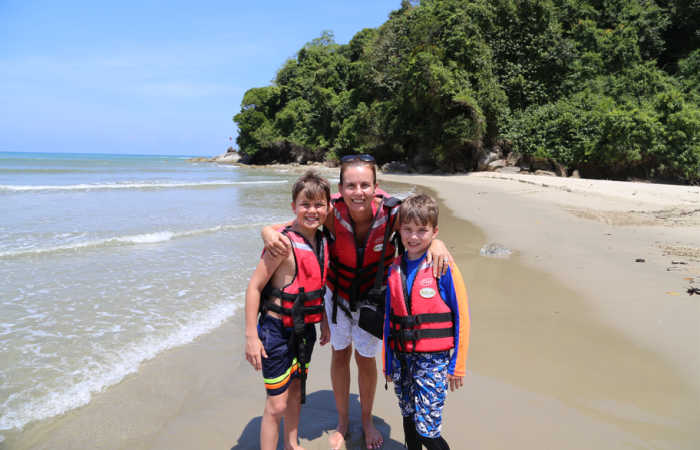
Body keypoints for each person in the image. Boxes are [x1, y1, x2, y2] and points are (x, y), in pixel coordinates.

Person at [262, 155, 453, 450]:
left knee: (366, 360)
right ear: (341, 188)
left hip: (371, 300)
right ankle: (341, 422)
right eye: (351, 185)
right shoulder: (329, 210)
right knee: (340, 355)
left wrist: (438, 244)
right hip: (337, 296)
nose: (358, 192)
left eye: (365, 184)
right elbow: (286, 227)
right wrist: (265, 232)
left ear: (376, 187)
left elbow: (422, 226)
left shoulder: (392, 212)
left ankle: (366, 421)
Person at [245, 170, 332, 450]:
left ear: (328, 208)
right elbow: (254, 288)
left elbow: (318, 288)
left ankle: (292, 444)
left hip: (305, 330)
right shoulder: (281, 244)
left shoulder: (323, 241)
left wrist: (326, 323)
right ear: (293, 206)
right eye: (305, 205)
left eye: (319, 205)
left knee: (296, 392)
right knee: (276, 404)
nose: (312, 211)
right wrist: (251, 337)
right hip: (275, 333)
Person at [383, 194, 469, 450]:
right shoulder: (394, 268)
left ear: (435, 232)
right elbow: (389, 321)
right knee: (408, 418)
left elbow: (462, 316)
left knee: (428, 430)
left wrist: (458, 364)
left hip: (433, 360)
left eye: (422, 230)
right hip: (401, 358)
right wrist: (387, 362)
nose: (413, 237)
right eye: (407, 230)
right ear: (399, 230)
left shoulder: (443, 266)